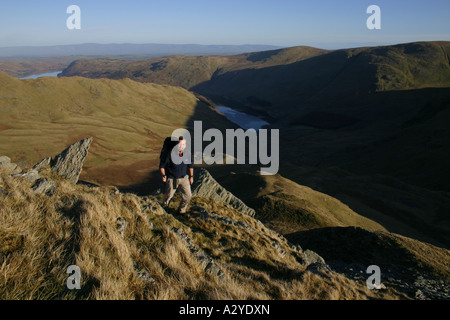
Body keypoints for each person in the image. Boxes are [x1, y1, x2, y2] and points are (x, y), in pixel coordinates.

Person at [159, 136, 194, 214]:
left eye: (183, 144)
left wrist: (191, 176)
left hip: (184, 178)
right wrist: (164, 175)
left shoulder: (187, 153)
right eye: (180, 144)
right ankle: (164, 210)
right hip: (171, 179)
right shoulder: (169, 153)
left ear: (185, 145)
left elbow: (190, 166)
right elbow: (162, 166)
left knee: (188, 196)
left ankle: (181, 210)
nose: (181, 146)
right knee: (168, 196)